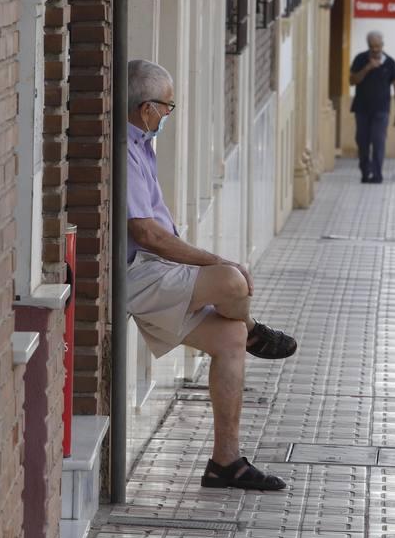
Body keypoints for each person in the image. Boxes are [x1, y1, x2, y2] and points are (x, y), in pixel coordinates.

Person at [124, 59, 297, 491]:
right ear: (147, 108)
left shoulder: (141, 144)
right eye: (167, 107)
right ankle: (255, 327)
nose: (168, 115)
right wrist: (218, 263)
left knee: (229, 338)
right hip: (138, 273)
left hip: (154, 270)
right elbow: (146, 233)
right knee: (234, 282)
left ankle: (226, 463)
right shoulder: (125, 151)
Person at [348, 31, 395, 183]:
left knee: (378, 141)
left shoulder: (390, 63)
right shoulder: (360, 59)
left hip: (381, 110)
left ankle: (377, 174)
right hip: (362, 109)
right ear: (368, 46)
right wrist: (367, 68)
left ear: (382, 45)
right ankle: (365, 172)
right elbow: (352, 81)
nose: (375, 49)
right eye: (372, 47)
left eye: (378, 46)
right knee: (362, 142)